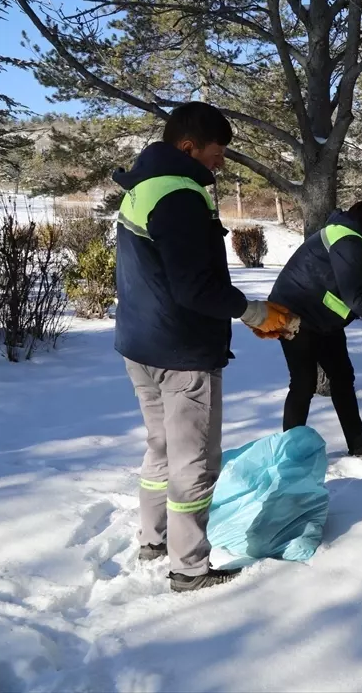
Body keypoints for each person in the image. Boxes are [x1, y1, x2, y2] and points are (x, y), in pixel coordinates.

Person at [114, 102, 294, 593]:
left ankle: (153, 539)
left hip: (140, 343)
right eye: (217, 154)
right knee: (194, 460)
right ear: (188, 147)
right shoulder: (179, 196)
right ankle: (189, 567)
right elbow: (194, 288)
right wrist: (252, 311)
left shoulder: (145, 184)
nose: (220, 164)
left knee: (161, 447)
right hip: (180, 350)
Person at [267, 195, 362, 458]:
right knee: (304, 382)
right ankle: (288, 454)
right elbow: (357, 299)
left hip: (323, 319)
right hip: (294, 312)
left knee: (342, 377)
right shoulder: (348, 239)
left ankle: (358, 443)